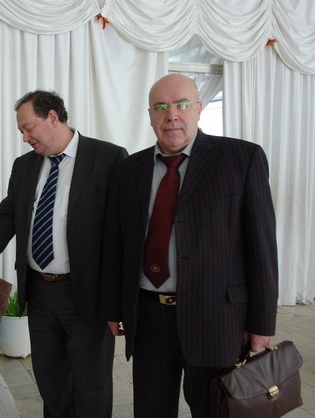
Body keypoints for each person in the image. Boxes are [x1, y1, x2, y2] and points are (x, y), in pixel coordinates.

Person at [101, 74, 278, 417]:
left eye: (182, 104)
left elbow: (262, 248)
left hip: (216, 318)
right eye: (161, 107)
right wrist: (113, 307)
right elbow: (116, 244)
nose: (172, 115)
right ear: (150, 115)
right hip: (149, 317)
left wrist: (262, 322)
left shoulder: (242, 158)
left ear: (198, 108)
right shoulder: (129, 170)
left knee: (213, 410)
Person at [0, 90, 127, 417]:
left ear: (53, 117)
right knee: (50, 383)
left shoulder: (108, 158)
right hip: (40, 292)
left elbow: (124, 233)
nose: (24, 137)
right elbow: (6, 218)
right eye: (21, 131)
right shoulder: (25, 166)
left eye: (28, 128)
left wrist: (119, 300)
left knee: (91, 385)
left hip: (87, 295)